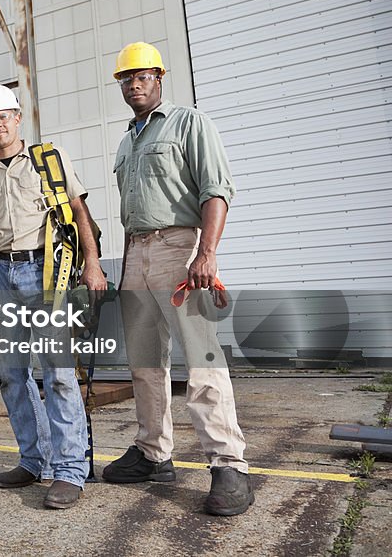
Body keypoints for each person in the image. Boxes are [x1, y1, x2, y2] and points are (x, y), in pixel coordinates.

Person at [103, 41, 253, 516]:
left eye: (142, 76)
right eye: (126, 78)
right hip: (136, 251)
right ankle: (153, 453)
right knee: (146, 363)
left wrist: (206, 253)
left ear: (159, 77)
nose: (134, 84)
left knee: (202, 358)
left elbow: (216, 189)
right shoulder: (128, 140)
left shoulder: (189, 122)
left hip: (180, 248)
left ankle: (229, 464)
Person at [0, 84, 107, 510]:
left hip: (46, 272)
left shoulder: (49, 160)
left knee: (58, 374)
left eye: (3, 117)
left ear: (18, 118)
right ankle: (34, 459)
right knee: (12, 375)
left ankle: (68, 470)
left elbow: (79, 212)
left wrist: (93, 264)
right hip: (0, 275)